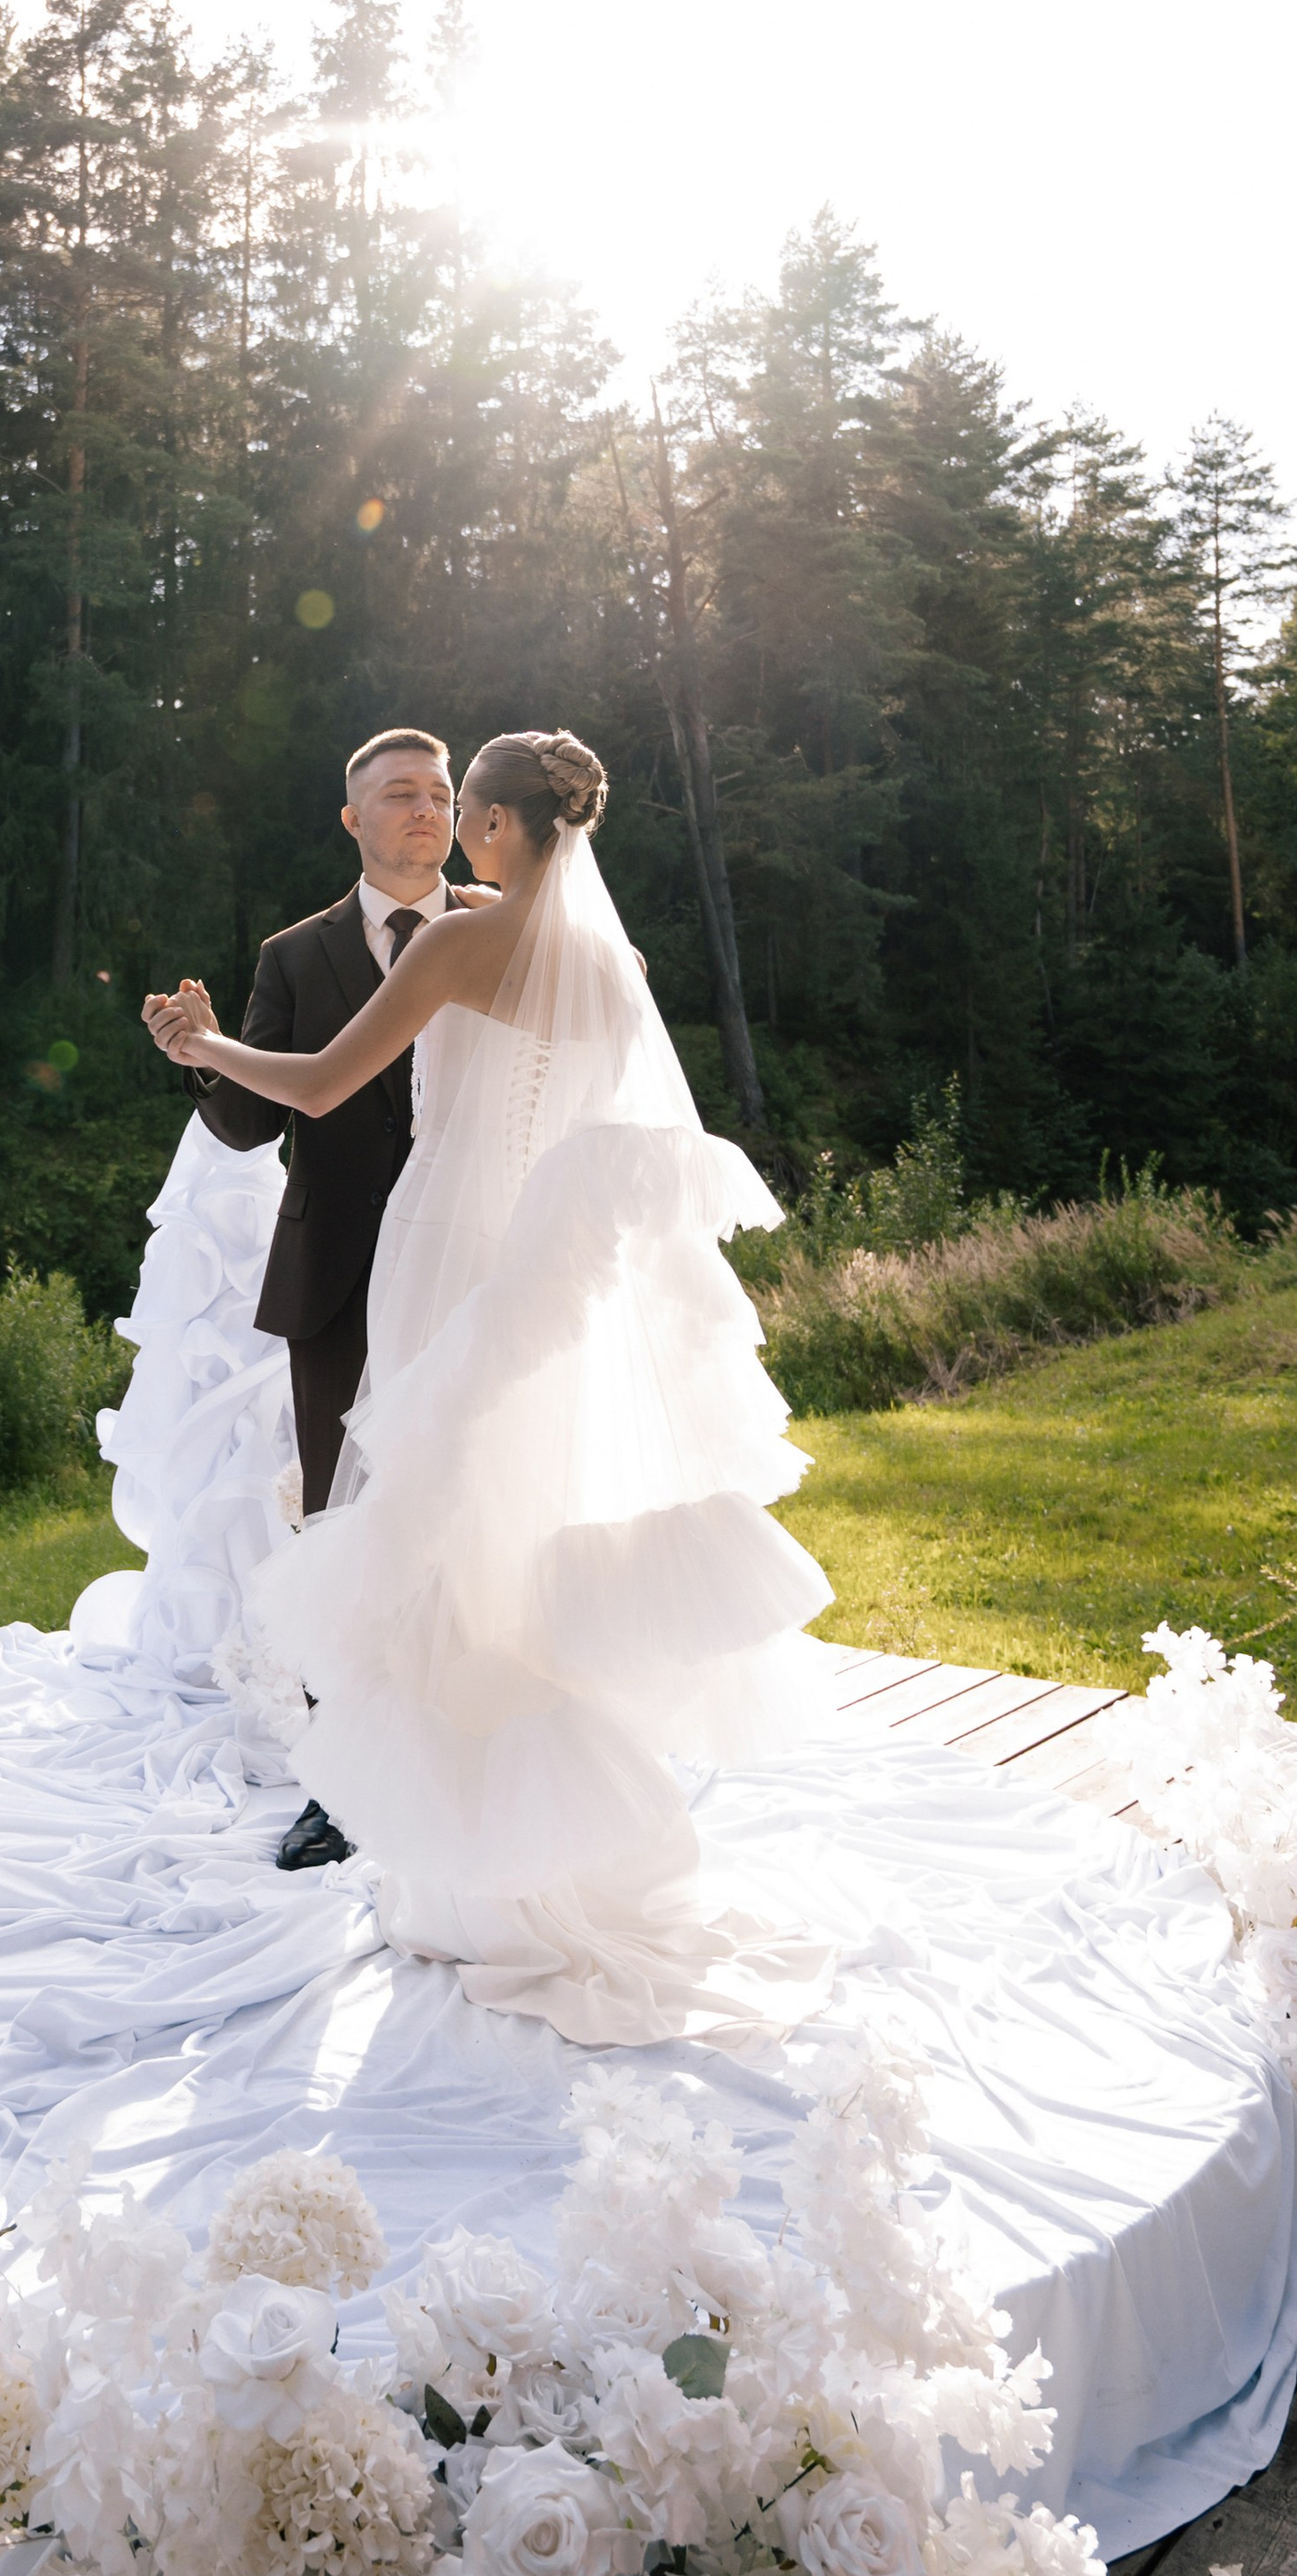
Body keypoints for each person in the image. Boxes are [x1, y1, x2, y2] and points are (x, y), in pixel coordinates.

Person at [145, 729, 835, 2047]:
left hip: (443, 1254)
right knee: (515, 1539)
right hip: (537, 1271)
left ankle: (466, 1869)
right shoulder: (611, 963)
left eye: (461, 804)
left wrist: (212, 1046)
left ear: (504, 826)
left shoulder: (460, 945)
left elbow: (321, 1085)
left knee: (436, 1549)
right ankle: (533, 1849)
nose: (448, 823)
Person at [169, 728, 466, 1869]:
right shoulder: (294, 955)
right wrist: (204, 1054)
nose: (423, 809)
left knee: (474, 1508)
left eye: (438, 792)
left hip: (473, 1271)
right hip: (336, 1274)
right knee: (339, 1524)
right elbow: (251, 1124)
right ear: (352, 817)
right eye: (398, 793)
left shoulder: (501, 930)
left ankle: (469, 1751)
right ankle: (337, 1783)